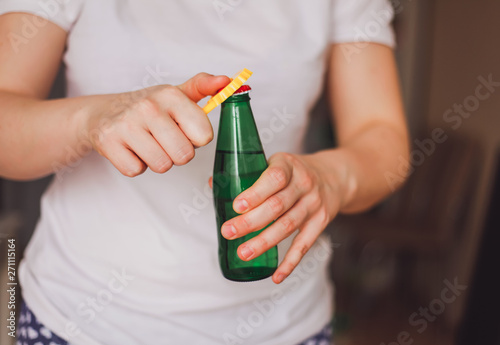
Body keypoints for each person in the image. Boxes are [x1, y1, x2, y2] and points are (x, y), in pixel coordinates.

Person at [0, 1, 409, 344]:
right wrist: (91, 118)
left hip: (285, 325)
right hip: (81, 320)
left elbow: (383, 137)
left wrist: (329, 177)